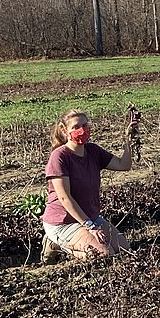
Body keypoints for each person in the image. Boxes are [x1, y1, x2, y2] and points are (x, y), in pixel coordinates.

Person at [40, 108, 135, 260]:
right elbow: (65, 198)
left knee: (124, 249)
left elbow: (124, 165)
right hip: (63, 222)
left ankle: (78, 239)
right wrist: (90, 227)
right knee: (104, 253)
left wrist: (129, 138)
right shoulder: (59, 157)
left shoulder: (93, 151)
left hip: (90, 217)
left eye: (85, 125)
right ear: (65, 131)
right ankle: (57, 244)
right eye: (76, 127)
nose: (82, 130)